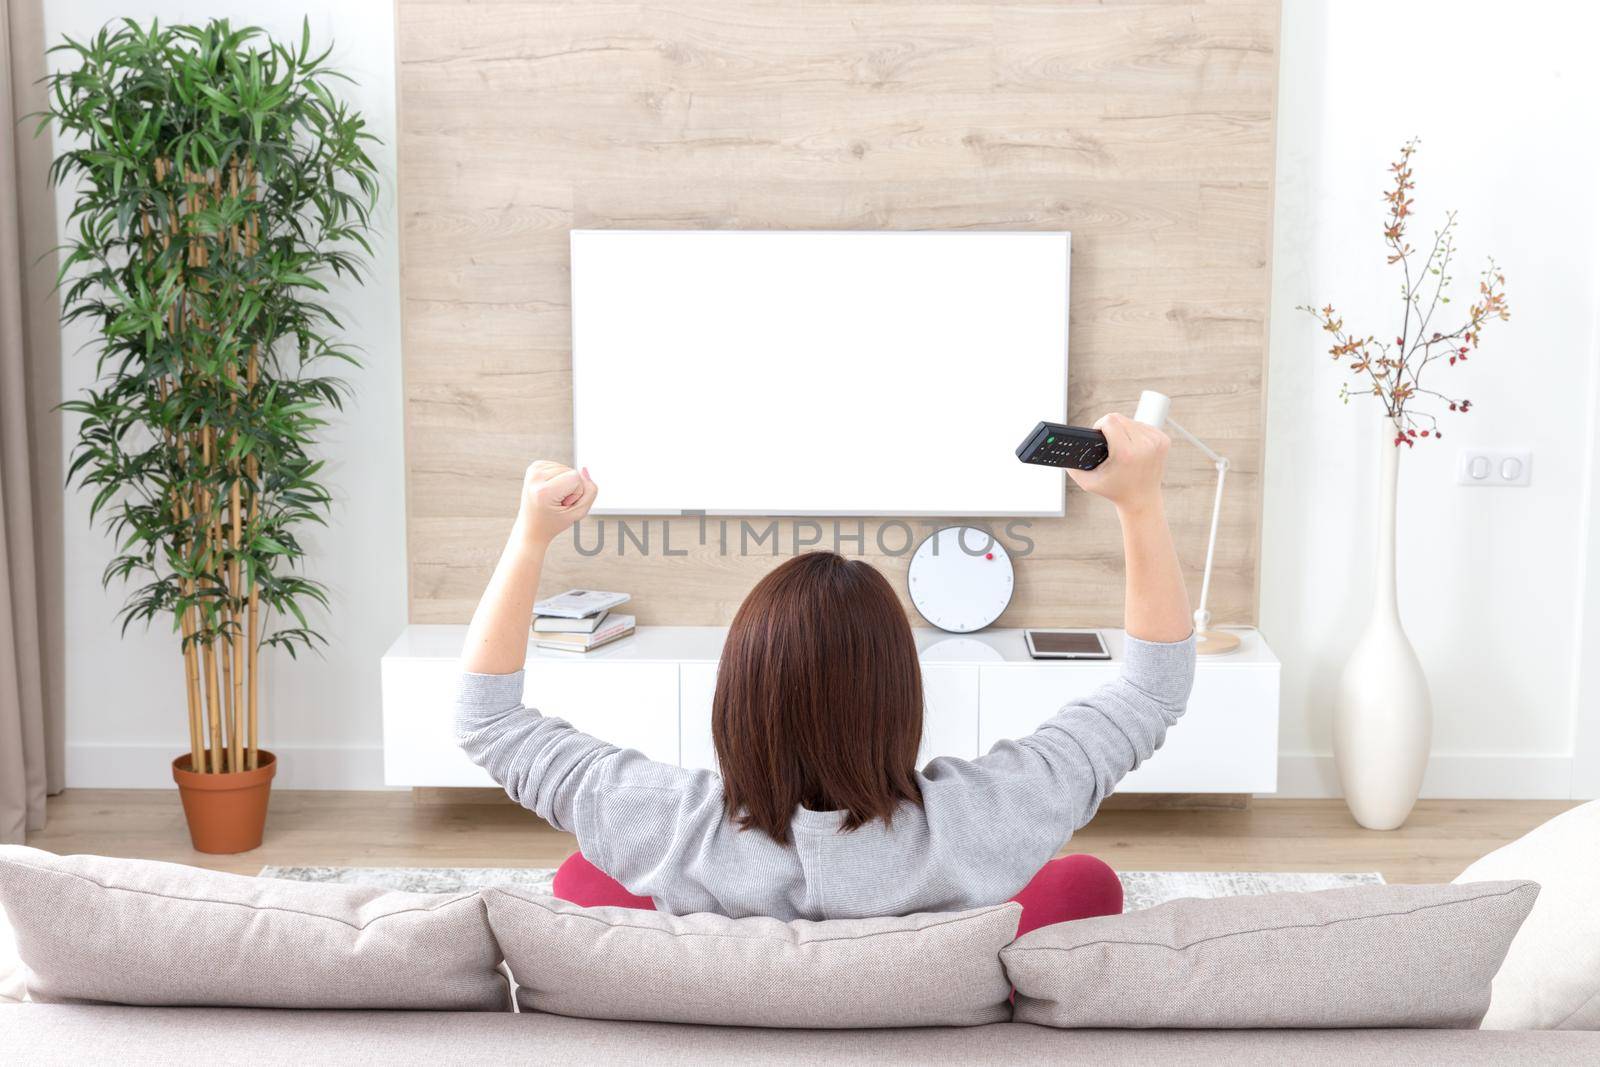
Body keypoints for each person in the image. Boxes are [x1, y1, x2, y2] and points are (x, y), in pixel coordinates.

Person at [457, 413, 1195, 934]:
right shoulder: (983, 820)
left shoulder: (661, 826)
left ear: (736, 697)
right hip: (929, 994)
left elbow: (486, 718)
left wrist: (530, 538)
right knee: (1084, 881)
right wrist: (1139, 502)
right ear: (900, 696)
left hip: (714, 965)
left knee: (580, 881)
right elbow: (1153, 688)